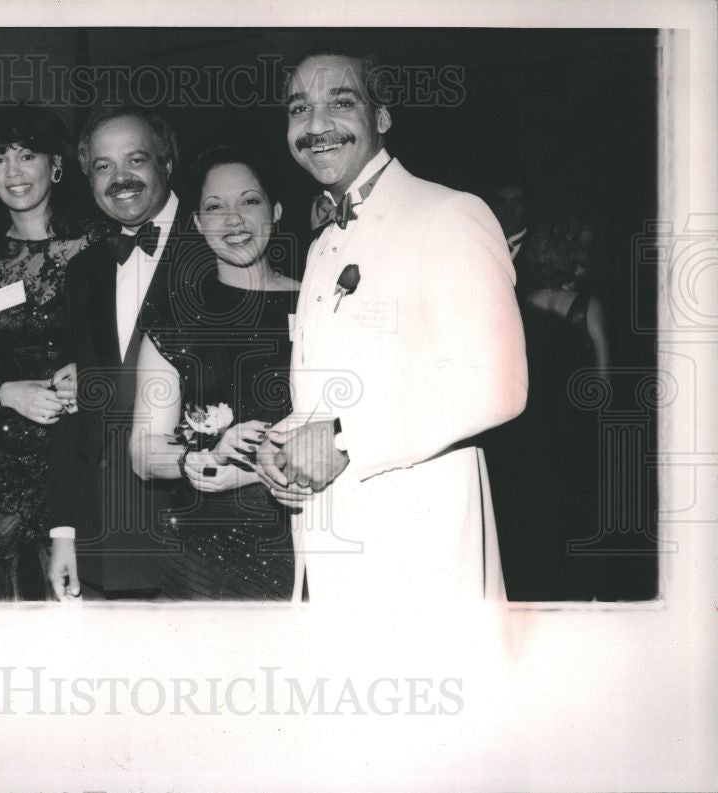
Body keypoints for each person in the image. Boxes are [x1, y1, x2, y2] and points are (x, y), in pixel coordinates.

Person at [256, 50, 529, 605]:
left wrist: (339, 440)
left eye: (341, 102)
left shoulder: (448, 213)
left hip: (417, 556)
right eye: (299, 108)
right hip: (330, 554)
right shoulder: (323, 241)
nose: (316, 126)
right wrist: (280, 444)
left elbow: (497, 383)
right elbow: (341, 388)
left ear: (381, 117)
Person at [129, 145, 300, 600]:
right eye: (214, 207)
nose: (233, 219)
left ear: (276, 210)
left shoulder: (320, 303)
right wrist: (199, 458)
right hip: (203, 555)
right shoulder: (173, 317)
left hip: (307, 536)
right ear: (199, 224)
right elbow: (144, 450)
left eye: (249, 201)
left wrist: (254, 471)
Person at [0, 105, 99, 601]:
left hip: (81, 449)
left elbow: (131, 343)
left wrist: (95, 373)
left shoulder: (98, 241)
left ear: (54, 164)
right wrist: (10, 393)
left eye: (26, 155)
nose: (13, 171)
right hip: (3, 462)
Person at [65, 105, 191, 597]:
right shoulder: (84, 271)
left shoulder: (223, 242)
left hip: (196, 529)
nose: (120, 179)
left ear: (167, 162)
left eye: (135, 160)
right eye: (102, 166)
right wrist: (64, 532)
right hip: (105, 537)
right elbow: (76, 421)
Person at [485, 218, 609, 600]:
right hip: (574, 429)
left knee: (531, 524)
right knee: (574, 522)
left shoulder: (519, 307)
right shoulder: (588, 306)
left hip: (528, 432)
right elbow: (604, 381)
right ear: (570, 261)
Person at [487, 179, 530, 265]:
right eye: (501, 202)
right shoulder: (481, 243)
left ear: (526, 206)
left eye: (516, 202)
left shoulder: (544, 249)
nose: (509, 211)